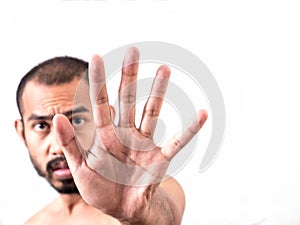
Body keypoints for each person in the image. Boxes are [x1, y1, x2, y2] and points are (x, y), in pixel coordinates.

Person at [14, 47, 208, 225]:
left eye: (78, 121)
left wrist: (137, 215)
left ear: (104, 119)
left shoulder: (150, 191)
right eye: (41, 126)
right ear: (22, 133)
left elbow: (164, 219)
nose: (58, 146)